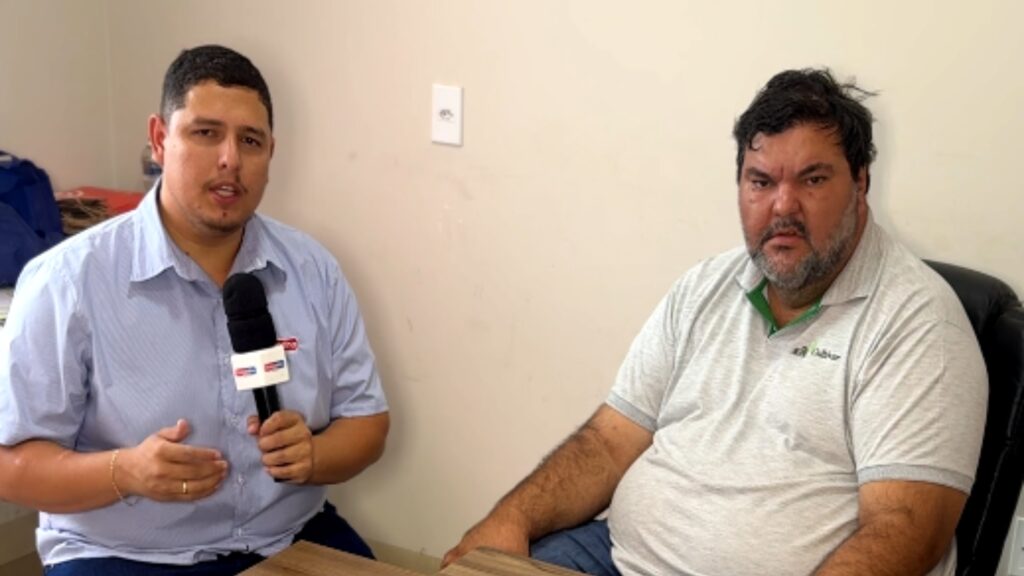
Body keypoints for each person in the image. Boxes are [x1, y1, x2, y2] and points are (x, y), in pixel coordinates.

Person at [443, 68, 987, 576]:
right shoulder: (705, 287)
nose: (783, 206)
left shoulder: (918, 325)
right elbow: (609, 442)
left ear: (861, 183)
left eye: (813, 179)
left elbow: (905, 531)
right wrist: (510, 519)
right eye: (761, 181)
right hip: (615, 556)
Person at [0, 45, 390, 575]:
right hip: (126, 553)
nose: (230, 159)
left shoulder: (312, 269)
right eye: (206, 133)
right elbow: (12, 467)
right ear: (160, 139)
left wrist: (314, 456)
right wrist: (126, 471)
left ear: (270, 153)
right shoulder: (67, 280)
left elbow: (368, 423)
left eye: (250, 140)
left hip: (285, 534)